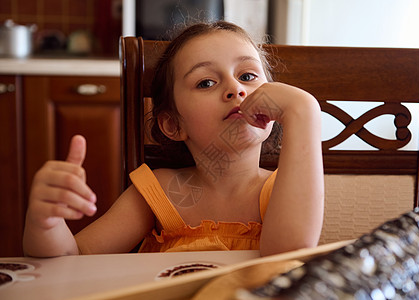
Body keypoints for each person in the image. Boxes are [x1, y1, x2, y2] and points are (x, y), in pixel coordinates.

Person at [23, 21, 324, 257]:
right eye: (206, 82)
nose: (236, 89)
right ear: (172, 124)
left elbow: (288, 256)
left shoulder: (282, 191)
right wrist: (44, 222)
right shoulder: (156, 194)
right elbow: (75, 256)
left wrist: (304, 112)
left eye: (247, 76)